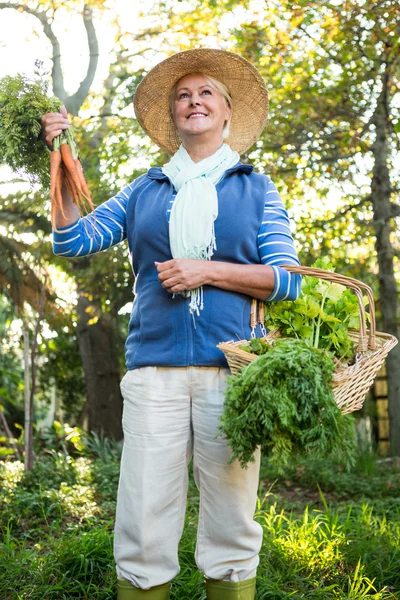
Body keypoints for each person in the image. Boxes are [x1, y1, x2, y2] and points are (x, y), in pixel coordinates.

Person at [41, 48, 302, 600]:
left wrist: (205, 270)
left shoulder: (257, 189)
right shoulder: (144, 190)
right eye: (183, 95)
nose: (193, 100)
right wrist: (59, 156)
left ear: (227, 112)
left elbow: (288, 281)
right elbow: (71, 241)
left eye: (206, 92)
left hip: (233, 373)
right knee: (143, 515)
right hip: (154, 371)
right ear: (173, 116)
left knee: (232, 517)